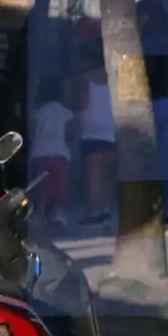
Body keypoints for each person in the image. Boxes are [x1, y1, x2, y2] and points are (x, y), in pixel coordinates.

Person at [136, 0, 168, 222]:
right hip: (166, 100)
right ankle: (161, 205)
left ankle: (150, 206)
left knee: (145, 158)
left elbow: (144, 72)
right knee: (160, 156)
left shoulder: (149, 39)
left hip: (151, 100)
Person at [71, 41, 116, 226]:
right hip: (110, 132)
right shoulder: (113, 81)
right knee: (106, 176)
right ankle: (105, 208)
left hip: (91, 132)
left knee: (93, 176)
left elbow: (82, 105)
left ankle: (94, 211)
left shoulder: (85, 80)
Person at [29, 78, 75, 229]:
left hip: (39, 154)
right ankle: (58, 215)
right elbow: (70, 133)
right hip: (60, 154)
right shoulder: (66, 113)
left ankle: (40, 216)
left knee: (42, 188)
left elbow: (32, 132)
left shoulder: (38, 113)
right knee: (60, 186)